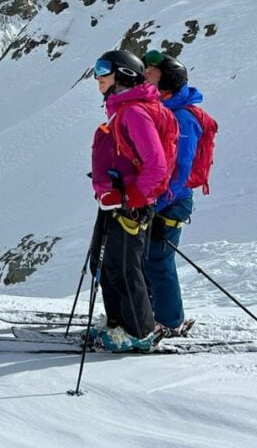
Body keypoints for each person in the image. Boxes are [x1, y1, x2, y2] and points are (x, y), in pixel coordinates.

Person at [89, 49, 178, 352]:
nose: (97, 76)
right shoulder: (122, 109)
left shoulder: (134, 112)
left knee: (126, 268)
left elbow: (157, 166)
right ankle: (118, 324)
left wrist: (131, 198)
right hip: (119, 202)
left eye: (104, 69)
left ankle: (138, 332)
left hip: (132, 206)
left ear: (124, 74)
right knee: (110, 264)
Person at [142, 50, 203, 336]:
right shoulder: (160, 110)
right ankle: (149, 314)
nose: (145, 75)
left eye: (151, 73)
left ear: (168, 79)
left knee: (158, 259)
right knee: (144, 258)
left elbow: (182, 168)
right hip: (159, 198)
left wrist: (159, 201)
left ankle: (169, 320)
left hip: (172, 201)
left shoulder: (182, 117)